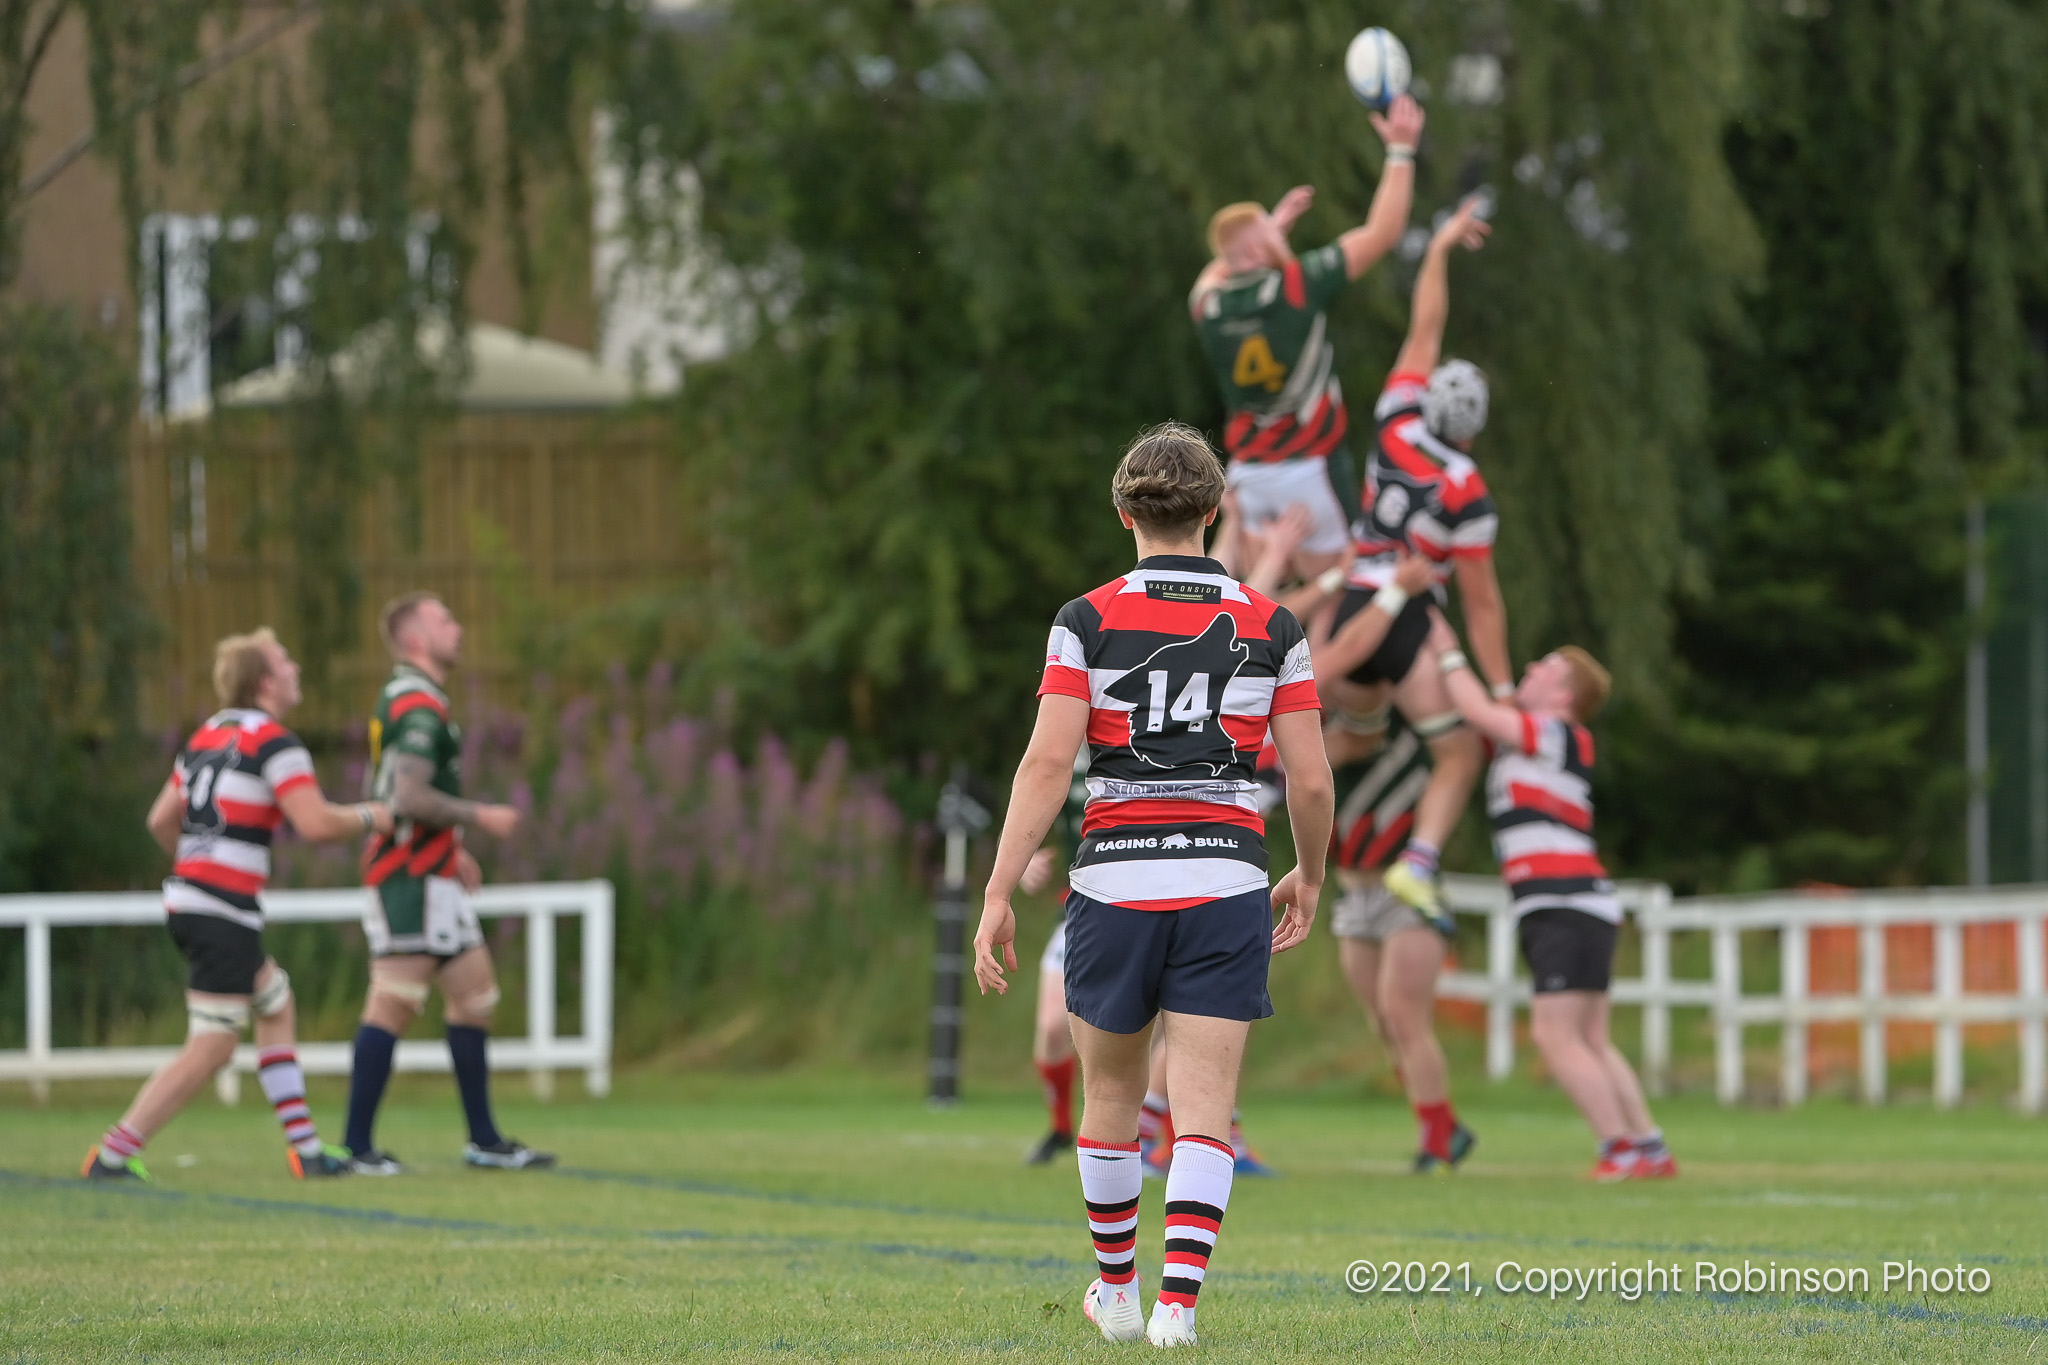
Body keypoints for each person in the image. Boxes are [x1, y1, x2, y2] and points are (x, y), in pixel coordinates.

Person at [971, 422, 1333, 1347]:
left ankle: (1118, 1293)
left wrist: (998, 891)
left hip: (1115, 883)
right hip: (1225, 880)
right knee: (1204, 1106)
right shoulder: (1272, 622)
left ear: (1123, 510)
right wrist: (1311, 873)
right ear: (1215, 512)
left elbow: (1049, 762)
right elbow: (1314, 778)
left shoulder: (1084, 619)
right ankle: (1179, 1309)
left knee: (1112, 1102)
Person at [83, 628, 392, 1181]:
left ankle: (307, 1151)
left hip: (197, 902)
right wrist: (373, 814)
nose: (297, 669)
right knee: (213, 1047)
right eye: (286, 661)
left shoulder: (206, 736)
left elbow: (160, 820)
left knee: (274, 1001)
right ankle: (112, 1155)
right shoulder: (275, 741)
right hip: (221, 910)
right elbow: (316, 823)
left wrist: (198, 863)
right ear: (267, 681)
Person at [1426, 615, 1676, 1182]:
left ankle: (1618, 1149)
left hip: (1561, 900)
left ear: (1564, 695)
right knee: (1591, 1037)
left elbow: (1478, 711)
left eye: (1546, 667)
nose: (1532, 669)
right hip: (1581, 901)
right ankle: (1649, 1148)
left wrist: (1445, 648)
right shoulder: (1536, 735)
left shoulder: (1555, 731)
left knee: (1554, 1035)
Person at [1319, 195, 1505, 926]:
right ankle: (1419, 863)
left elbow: (1426, 325)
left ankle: (1255, 785)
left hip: (1350, 600)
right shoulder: (1467, 488)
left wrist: (1439, 248)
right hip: (1406, 622)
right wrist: (1502, 682)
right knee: (1459, 753)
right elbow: (1483, 602)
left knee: (1359, 731)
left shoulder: (1396, 417)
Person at [341, 592, 553, 1174]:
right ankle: (356, 1149)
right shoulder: (415, 702)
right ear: (415, 640)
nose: (458, 628)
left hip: (433, 875)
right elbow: (406, 796)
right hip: (406, 880)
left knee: (475, 996)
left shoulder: (421, 698)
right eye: (444, 620)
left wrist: (452, 849)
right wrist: (479, 817)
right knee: (394, 1003)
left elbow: (403, 796)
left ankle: (484, 1142)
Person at [1190, 94, 1425, 585]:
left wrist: (1262, 239)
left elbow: (1215, 272)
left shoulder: (1208, 308)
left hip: (1249, 475)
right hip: (1311, 469)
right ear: (1258, 249)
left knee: (1247, 603)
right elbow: (1383, 232)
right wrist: (1401, 152)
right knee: (1343, 590)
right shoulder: (1296, 286)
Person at [1327, 706, 1475, 1173]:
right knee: (1383, 1022)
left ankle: (1436, 1136)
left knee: (1404, 1014)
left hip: (1403, 893)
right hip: (1353, 894)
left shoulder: (1408, 729)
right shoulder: (1323, 732)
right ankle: (1444, 1125)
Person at [1018, 754, 1090, 1165]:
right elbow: (1032, 798)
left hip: (1134, 903)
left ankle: (1162, 1138)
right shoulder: (1062, 746)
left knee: (1147, 1031)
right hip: (1076, 912)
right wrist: (1023, 858)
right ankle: (1061, 1126)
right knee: (1051, 1027)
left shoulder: (1136, 731)